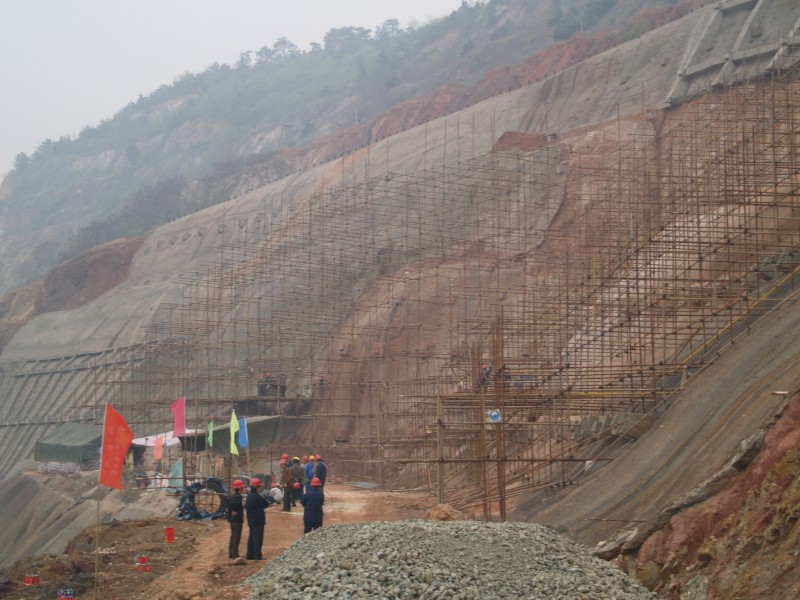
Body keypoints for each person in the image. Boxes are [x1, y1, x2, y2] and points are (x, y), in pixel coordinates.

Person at [245, 478, 268, 560]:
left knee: (251, 537)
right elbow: (266, 504)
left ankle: (249, 555)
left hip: (250, 520)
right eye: (259, 487)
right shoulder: (257, 497)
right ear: (257, 487)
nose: (260, 488)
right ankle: (257, 555)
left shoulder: (249, 497)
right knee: (258, 538)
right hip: (258, 521)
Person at [227, 479, 245, 559]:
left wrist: (231, 511)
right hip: (237, 519)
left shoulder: (233, 496)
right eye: (242, 487)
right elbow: (235, 504)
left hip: (232, 519)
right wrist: (235, 510)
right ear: (240, 488)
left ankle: (231, 553)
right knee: (236, 536)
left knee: (233, 535)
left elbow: (229, 505)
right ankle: (235, 554)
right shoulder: (238, 496)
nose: (243, 488)